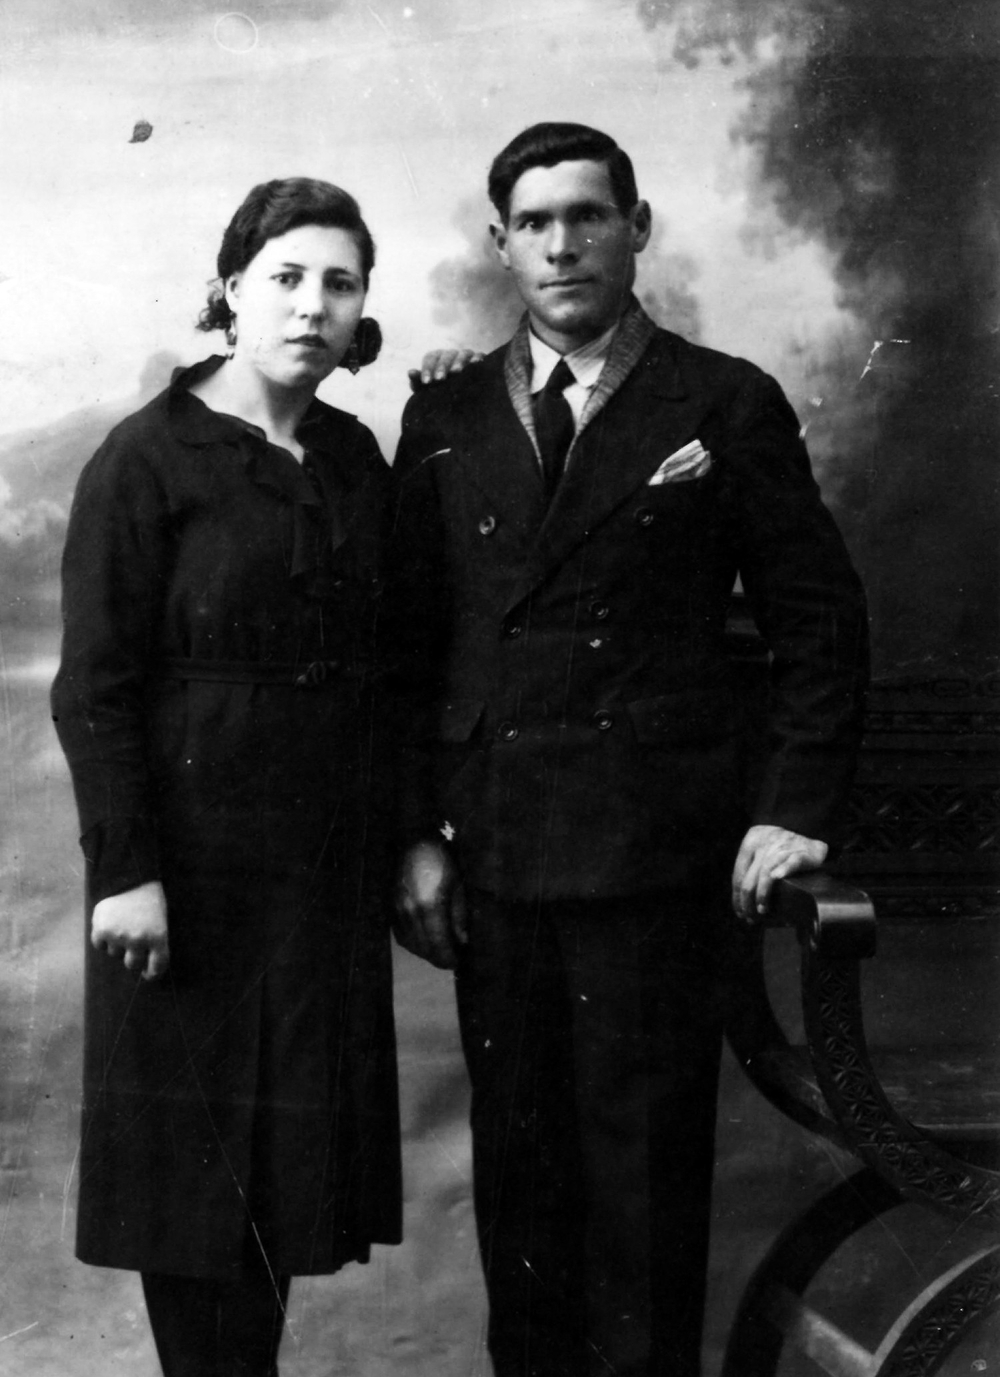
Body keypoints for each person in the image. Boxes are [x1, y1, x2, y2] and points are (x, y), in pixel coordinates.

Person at [389, 123, 869, 1377]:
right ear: (502, 245)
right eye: (535, 222)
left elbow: (819, 628)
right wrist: (414, 837)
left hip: (656, 860)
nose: (562, 243)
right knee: (523, 1194)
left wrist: (794, 808)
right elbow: (407, 644)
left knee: (644, 1194)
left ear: (636, 227)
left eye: (588, 215)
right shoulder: (440, 412)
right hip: (496, 854)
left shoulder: (723, 401)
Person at [51, 178, 402, 1377]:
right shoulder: (148, 459)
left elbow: (388, 665)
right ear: (230, 293)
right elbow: (94, 687)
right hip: (189, 880)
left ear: (363, 307)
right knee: (191, 1183)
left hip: (317, 880)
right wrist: (127, 873)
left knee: (283, 1182)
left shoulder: (353, 458)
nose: (312, 307)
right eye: (286, 279)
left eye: (339, 283)